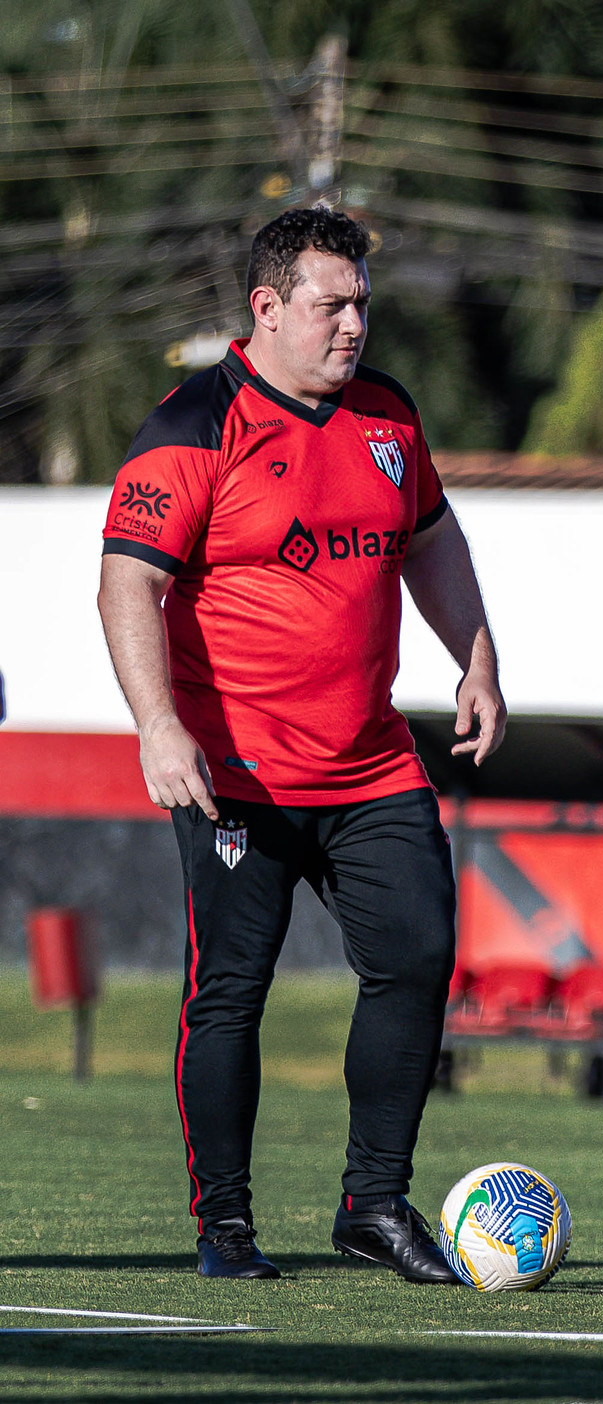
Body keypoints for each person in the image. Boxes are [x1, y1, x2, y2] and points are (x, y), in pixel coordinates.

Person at [98, 206, 506, 1283]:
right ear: (266, 308)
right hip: (235, 774)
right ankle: (225, 1227)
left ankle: (373, 1207)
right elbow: (126, 583)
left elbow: (431, 538)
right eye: (331, 305)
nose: (353, 325)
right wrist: (159, 728)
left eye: (363, 304)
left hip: (371, 766)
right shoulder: (194, 424)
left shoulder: (387, 417)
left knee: (416, 961)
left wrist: (475, 657)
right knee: (232, 989)